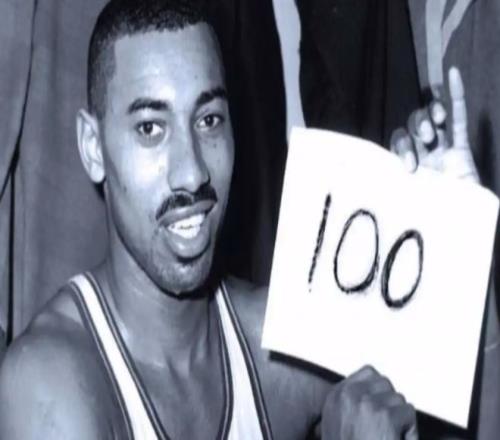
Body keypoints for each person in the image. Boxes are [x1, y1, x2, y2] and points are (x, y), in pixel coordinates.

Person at [0, 0, 479, 438]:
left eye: (208, 120)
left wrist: (453, 247)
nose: (191, 172)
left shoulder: (283, 342)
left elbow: (441, 401)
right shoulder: (49, 383)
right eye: (150, 128)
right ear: (93, 147)